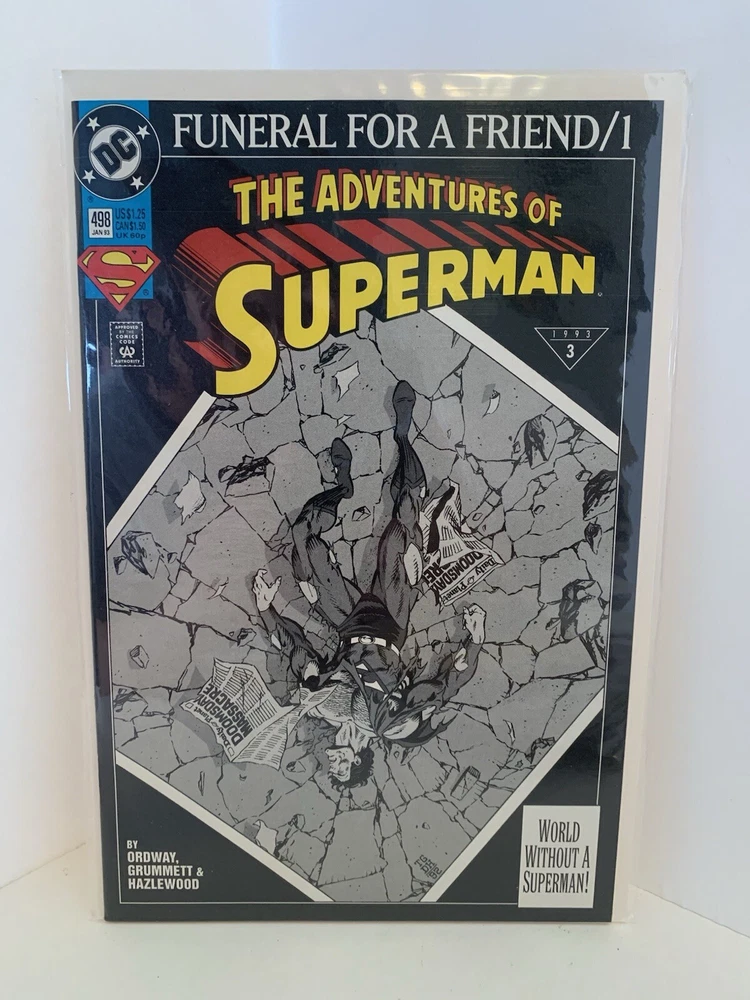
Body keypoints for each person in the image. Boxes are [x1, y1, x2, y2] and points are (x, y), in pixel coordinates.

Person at [252, 380, 487, 788]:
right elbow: (441, 689)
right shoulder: (393, 725)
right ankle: (403, 436)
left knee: (304, 543)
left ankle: (341, 489)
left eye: (331, 768)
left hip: (347, 624)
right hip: (391, 620)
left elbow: (296, 652)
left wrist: (267, 609)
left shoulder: (322, 706)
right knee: (400, 531)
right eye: (342, 767)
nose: (332, 761)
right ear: (359, 758)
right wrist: (474, 640)